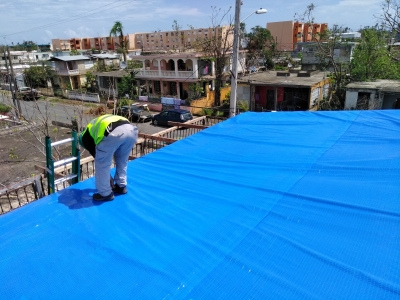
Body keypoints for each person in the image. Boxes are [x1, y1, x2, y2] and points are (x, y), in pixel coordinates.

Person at [78, 114, 138, 201]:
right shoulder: (92, 126)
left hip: (113, 131)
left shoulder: (85, 138)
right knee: (122, 160)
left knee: (102, 163)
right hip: (131, 130)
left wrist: (108, 177)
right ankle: (121, 186)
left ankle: (105, 193)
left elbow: (99, 159)